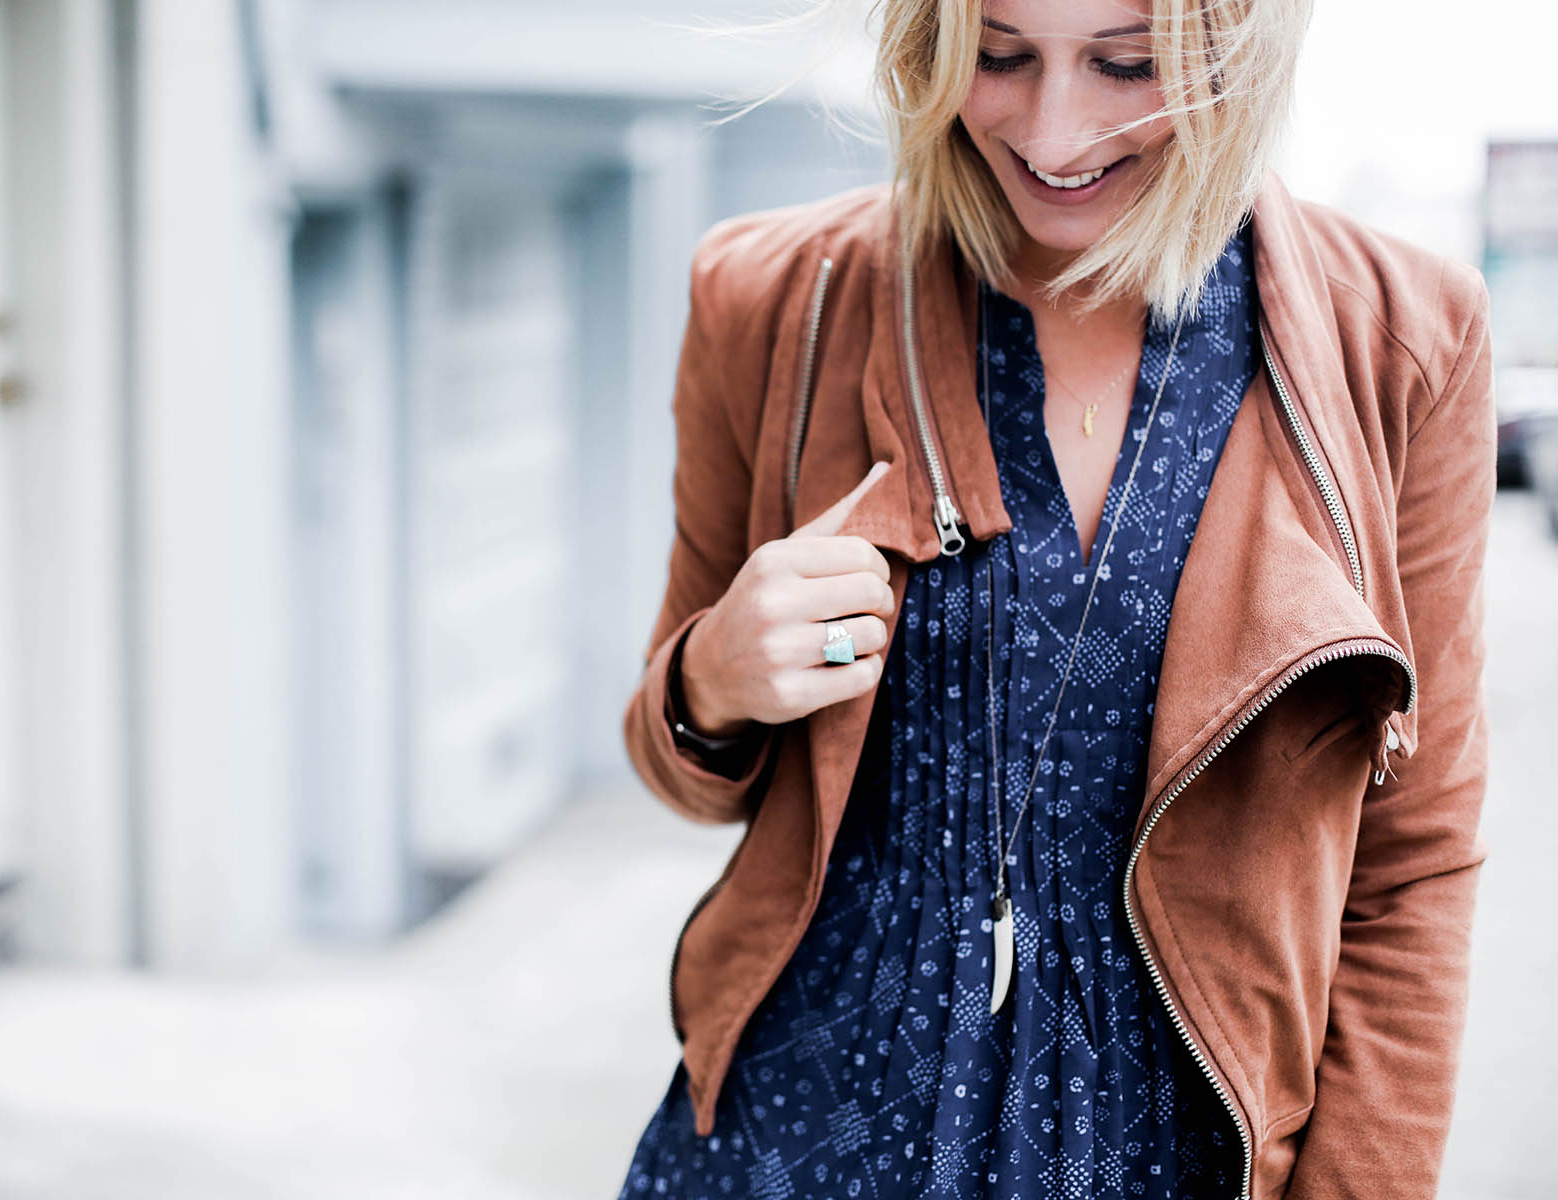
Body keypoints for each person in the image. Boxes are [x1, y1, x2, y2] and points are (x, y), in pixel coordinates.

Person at [615, 0, 1496, 1198]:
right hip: (795, 1139)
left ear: (1237, 57)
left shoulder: (1403, 338)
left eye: (1128, 64)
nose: (1054, 128)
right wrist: (711, 678)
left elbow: (1413, 861)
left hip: (1169, 1157)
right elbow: (680, 764)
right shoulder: (769, 298)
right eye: (1002, 55)